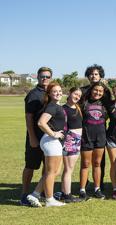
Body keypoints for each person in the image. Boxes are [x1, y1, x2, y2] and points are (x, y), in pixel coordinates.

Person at [26, 81, 66, 207]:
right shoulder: (52, 106)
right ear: (49, 93)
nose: (58, 93)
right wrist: (53, 134)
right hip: (51, 142)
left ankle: (35, 194)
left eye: (60, 91)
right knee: (51, 172)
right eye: (54, 91)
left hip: (53, 142)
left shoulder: (56, 105)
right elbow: (41, 123)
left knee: (54, 171)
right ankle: (49, 200)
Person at [21, 67, 52, 206]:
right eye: (42, 76)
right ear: (38, 78)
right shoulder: (34, 94)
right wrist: (33, 137)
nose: (45, 78)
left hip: (48, 137)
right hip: (36, 137)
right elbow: (28, 117)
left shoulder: (50, 92)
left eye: (47, 76)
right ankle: (24, 193)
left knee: (48, 166)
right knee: (31, 166)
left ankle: (44, 191)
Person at [80, 64, 112, 191]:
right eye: (91, 74)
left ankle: (99, 184)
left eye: (96, 74)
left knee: (99, 161)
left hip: (100, 130)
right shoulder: (83, 91)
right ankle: (85, 183)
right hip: (86, 131)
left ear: (101, 76)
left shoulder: (105, 92)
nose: (93, 76)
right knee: (85, 162)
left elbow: (110, 109)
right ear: (88, 76)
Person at [55, 87, 83, 203]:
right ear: (70, 93)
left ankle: (64, 192)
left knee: (70, 169)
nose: (77, 97)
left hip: (77, 140)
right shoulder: (63, 108)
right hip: (70, 139)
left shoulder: (77, 107)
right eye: (75, 94)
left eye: (79, 96)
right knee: (68, 169)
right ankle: (67, 195)